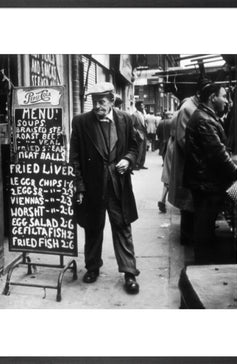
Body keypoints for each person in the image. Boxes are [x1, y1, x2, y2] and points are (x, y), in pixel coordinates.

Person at [70, 82, 140, 294]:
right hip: (93, 186)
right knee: (93, 227)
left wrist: (128, 159)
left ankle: (129, 272)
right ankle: (92, 267)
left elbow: (135, 146)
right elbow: (74, 158)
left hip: (118, 186)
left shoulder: (125, 119)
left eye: (101, 102)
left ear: (111, 101)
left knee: (122, 227)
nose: (97, 106)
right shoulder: (81, 122)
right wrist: (80, 186)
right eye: (94, 102)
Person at [183, 83, 237, 264]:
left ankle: (204, 258)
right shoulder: (204, 119)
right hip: (206, 183)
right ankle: (203, 263)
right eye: (224, 96)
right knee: (204, 225)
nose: (227, 101)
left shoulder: (205, 116)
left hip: (204, 181)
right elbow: (218, 154)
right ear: (213, 97)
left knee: (204, 224)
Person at [168, 78, 209, 245]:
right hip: (187, 163)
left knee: (190, 203)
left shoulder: (196, 106)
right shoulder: (188, 108)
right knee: (187, 203)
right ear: (200, 93)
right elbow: (184, 140)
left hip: (192, 162)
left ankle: (189, 235)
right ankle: (186, 237)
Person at [157, 111, 174, 213]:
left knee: (167, 171)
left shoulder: (161, 122)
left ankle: (162, 199)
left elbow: (158, 132)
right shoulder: (174, 122)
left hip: (166, 144)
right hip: (173, 145)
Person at [131, 101, 148, 170]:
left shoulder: (143, 114)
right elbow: (131, 126)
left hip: (144, 134)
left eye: (143, 105)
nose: (143, 106)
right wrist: (136, 132)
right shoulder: (134, 115)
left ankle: (141, 164)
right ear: (137, 106)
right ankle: (136, 164)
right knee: (139, 149)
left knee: (144, 150)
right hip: (138, 134)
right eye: (141, 105)